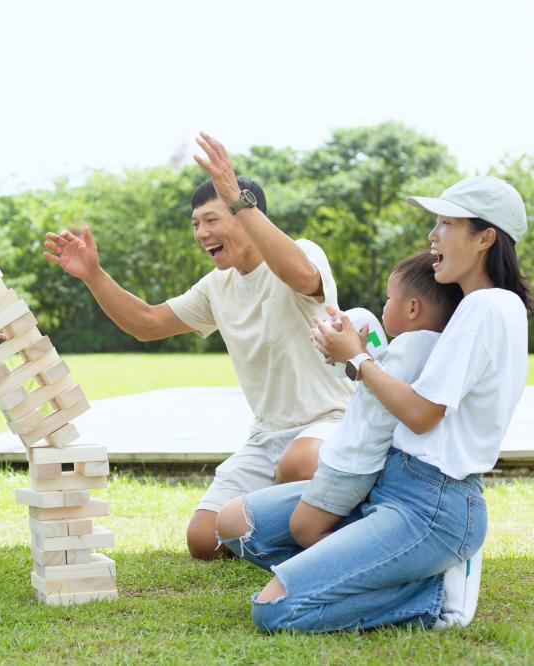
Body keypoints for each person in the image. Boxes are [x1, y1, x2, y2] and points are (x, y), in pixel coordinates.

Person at [216, 175, 529, 632]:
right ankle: (385, 562)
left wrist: (358, 359)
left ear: (485, 238)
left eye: (446, 224)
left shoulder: (489, 307)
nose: (433, 235)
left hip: (432, 503)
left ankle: (435, 594)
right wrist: (359, 352)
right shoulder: (466, 309)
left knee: (274, 610)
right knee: (236, 524)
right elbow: (400, 372)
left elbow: (422, 414)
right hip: (387, 481)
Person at [43, 133, 353, 559]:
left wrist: (236, 197)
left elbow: (301, 277)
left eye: (211, 219)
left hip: (330, 424)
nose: (200, 232)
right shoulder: (216, 287)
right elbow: (146, 324)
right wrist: (94, 275)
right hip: (268, 437)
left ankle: (342, 528)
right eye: (195, 224)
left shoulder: (301, 252)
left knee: (299, 465)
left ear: (247, 214)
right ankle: (301, 537)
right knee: (204, 541)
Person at [289, 253, 463, 548]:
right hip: (365, 462)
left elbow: (376, 387)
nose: (383, 308)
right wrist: (353, 357)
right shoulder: (433, 346)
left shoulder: (412, 344)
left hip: (353, 462)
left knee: (303, 528)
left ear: (412, 307)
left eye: (387, 298)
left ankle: (364, 555)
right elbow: (381, 382)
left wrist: (353, 355)